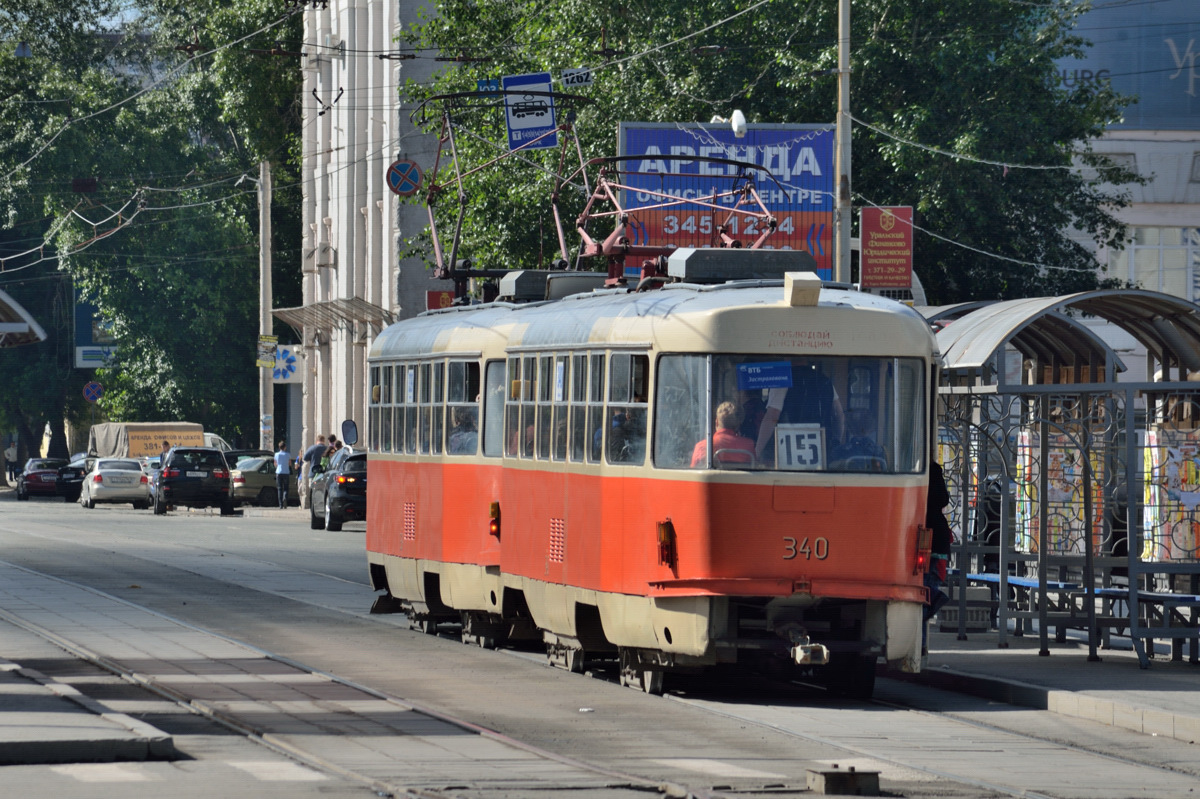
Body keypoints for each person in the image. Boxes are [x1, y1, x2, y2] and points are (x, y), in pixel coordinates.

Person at [923, 461, 953, 655]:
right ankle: (921, 645)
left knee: (922, 599)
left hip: (923, 537)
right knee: (926, 595)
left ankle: (920, 645)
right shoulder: (933, 470)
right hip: (937, 539)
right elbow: (943, 499)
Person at [691, 401, 756, 468]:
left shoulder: (703, 446)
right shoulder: (748, 445)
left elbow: (694, 473)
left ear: (716, 422)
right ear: (737, 425)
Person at [299, 434, 327, 509]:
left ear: (317, 440)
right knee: (323, 491)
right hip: (324, 473)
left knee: (313, 491)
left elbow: (305, 458)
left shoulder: (313, 448)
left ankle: (313, 507)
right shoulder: (327, 449)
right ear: (324, 441)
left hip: (313, 473)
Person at [273, 440, 293, 510]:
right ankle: (285, 497)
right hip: (286, 472)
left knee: (279, 488)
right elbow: (290, 464)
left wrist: (277, 467)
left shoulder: (276, 454)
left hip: (278, 472)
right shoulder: (288, 454)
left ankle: (280, 505)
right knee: (286, 488)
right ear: (285, 447)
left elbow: (275, 463)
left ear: (279, 447)